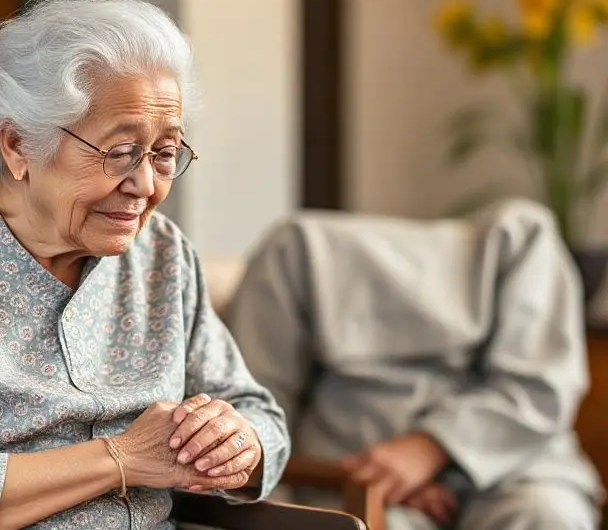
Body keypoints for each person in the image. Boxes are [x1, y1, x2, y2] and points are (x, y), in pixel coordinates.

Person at [0, 0, 290, 529]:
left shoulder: (162, 255)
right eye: (120, 153)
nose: (145, 185)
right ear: (18, 146)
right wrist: (125, 458)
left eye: (166, 153)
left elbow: (261, 418)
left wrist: (236, 442)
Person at [225, 201, 603, 530]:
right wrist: (372, 477)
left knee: (546, 516)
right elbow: (258, 408)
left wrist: (429, 450)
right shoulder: (293, 251)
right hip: (357, 474)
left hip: (515, 470)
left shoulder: (523, 239)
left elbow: (539, 387)